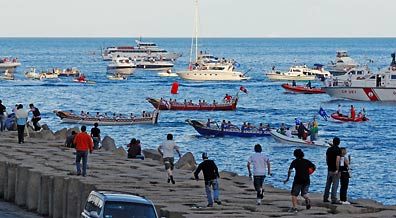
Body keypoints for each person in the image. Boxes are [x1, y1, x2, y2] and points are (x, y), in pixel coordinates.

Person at [284, 149, 316, 213]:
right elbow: (314, 166)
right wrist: (310, 172)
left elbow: (290, 170)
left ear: (295, 155)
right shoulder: (306, 161)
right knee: (304, 193)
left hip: (298, 180)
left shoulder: (295, 162)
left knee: (294, 194)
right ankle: (307, 199)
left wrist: (287, 178)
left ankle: (294, 208)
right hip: (306, 179)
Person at [323, 137, 342, 204]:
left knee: (328, 184)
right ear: (339, 142)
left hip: (329, 168)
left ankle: (325, 197)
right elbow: (337, 159)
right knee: (335, 184)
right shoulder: (338, 150)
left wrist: (328, 165)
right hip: (335, 169)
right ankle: (333, 199)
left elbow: (327, 158)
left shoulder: (329, 149)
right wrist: (337, 168)